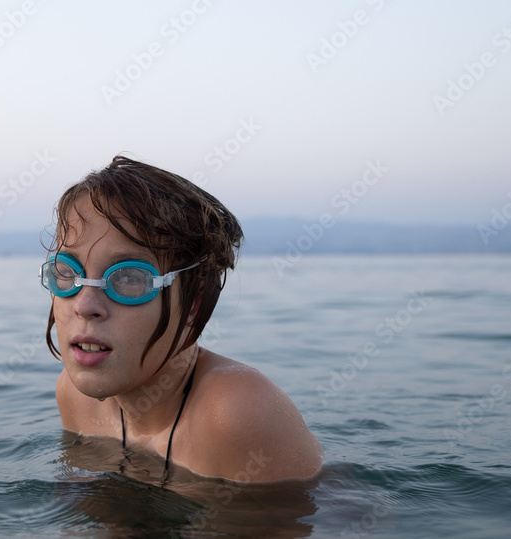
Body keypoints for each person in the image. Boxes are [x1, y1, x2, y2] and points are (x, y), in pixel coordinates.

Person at [41, 155, 322, 482]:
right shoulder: (75, 395)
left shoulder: (234, 413)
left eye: (130, 277)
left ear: (194, 303)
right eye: (67, 272)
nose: (84, 305)